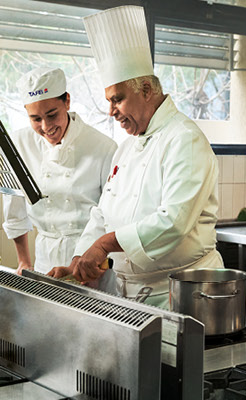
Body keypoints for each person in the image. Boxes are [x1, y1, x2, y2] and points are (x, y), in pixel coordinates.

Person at [53, 6, 224, 309]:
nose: (111, 111)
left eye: (117, 99)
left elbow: (173, 222)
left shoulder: (185, 139)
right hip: (130, 295)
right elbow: (102, 213)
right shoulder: (128, 146)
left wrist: (104, 245)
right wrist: (80, 260)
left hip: (182, 295)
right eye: (109, 101)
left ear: (146, 89)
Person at [4, 68, 118, 278]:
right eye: (35, 119)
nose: (46, 127)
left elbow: (110, 216)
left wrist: (93, 263)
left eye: (52, 115)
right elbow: (15, 209)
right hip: (44, 257)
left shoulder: (103, 148)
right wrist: (24, 261)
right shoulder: (18, 144)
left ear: (67, 101)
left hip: (91, 259)